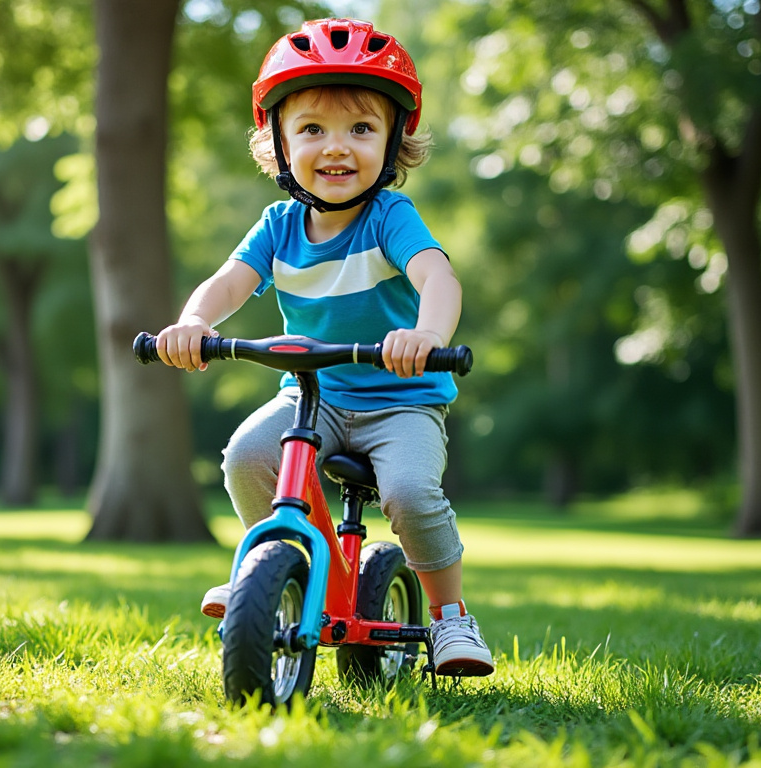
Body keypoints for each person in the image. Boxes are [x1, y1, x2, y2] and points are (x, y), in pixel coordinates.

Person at [153, 18, 493, 678]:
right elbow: (228, 283)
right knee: (248, 456)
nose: (336, 147)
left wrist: (427, 336)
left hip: (402, 400)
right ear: (277, 143)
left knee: (411, 491)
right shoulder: (279, 225)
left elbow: (436, 276)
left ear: (394, 142)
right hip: (314, 395)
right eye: (312, 129)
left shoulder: (389, 218)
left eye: (361, 128)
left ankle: (452, 617)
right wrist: (192, 321)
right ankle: (272, 566)